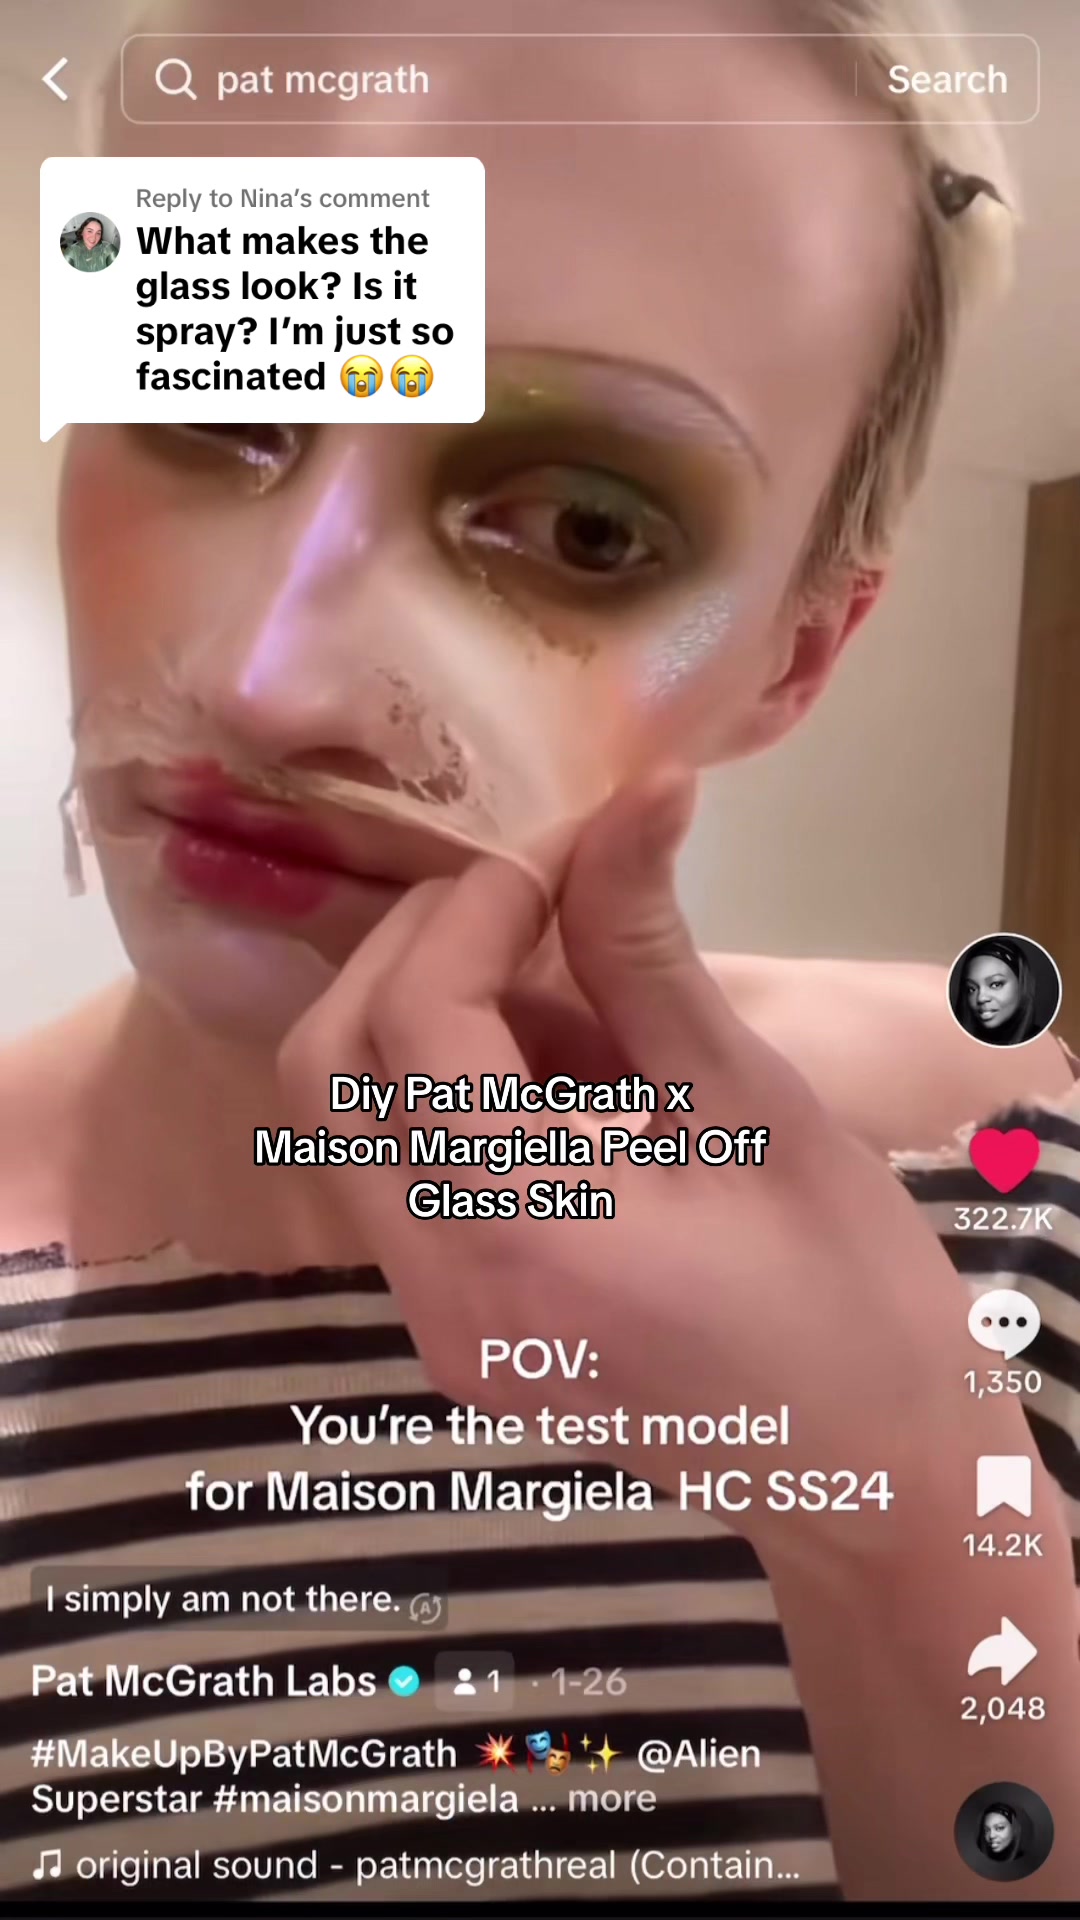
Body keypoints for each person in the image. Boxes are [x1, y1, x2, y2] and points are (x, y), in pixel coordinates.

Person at [2, 0, 1078, 1905]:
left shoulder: (1013, 1184)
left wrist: (904, 1505)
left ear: (800, 656)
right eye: (213, 401)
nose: (271, 680)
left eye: (582, 526)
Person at [951, 937, 1045, 1046]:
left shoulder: (1044, 1044)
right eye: (971, 989)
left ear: (1022, 984)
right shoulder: (955, 1040)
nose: (981, 998)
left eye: (995, 984)